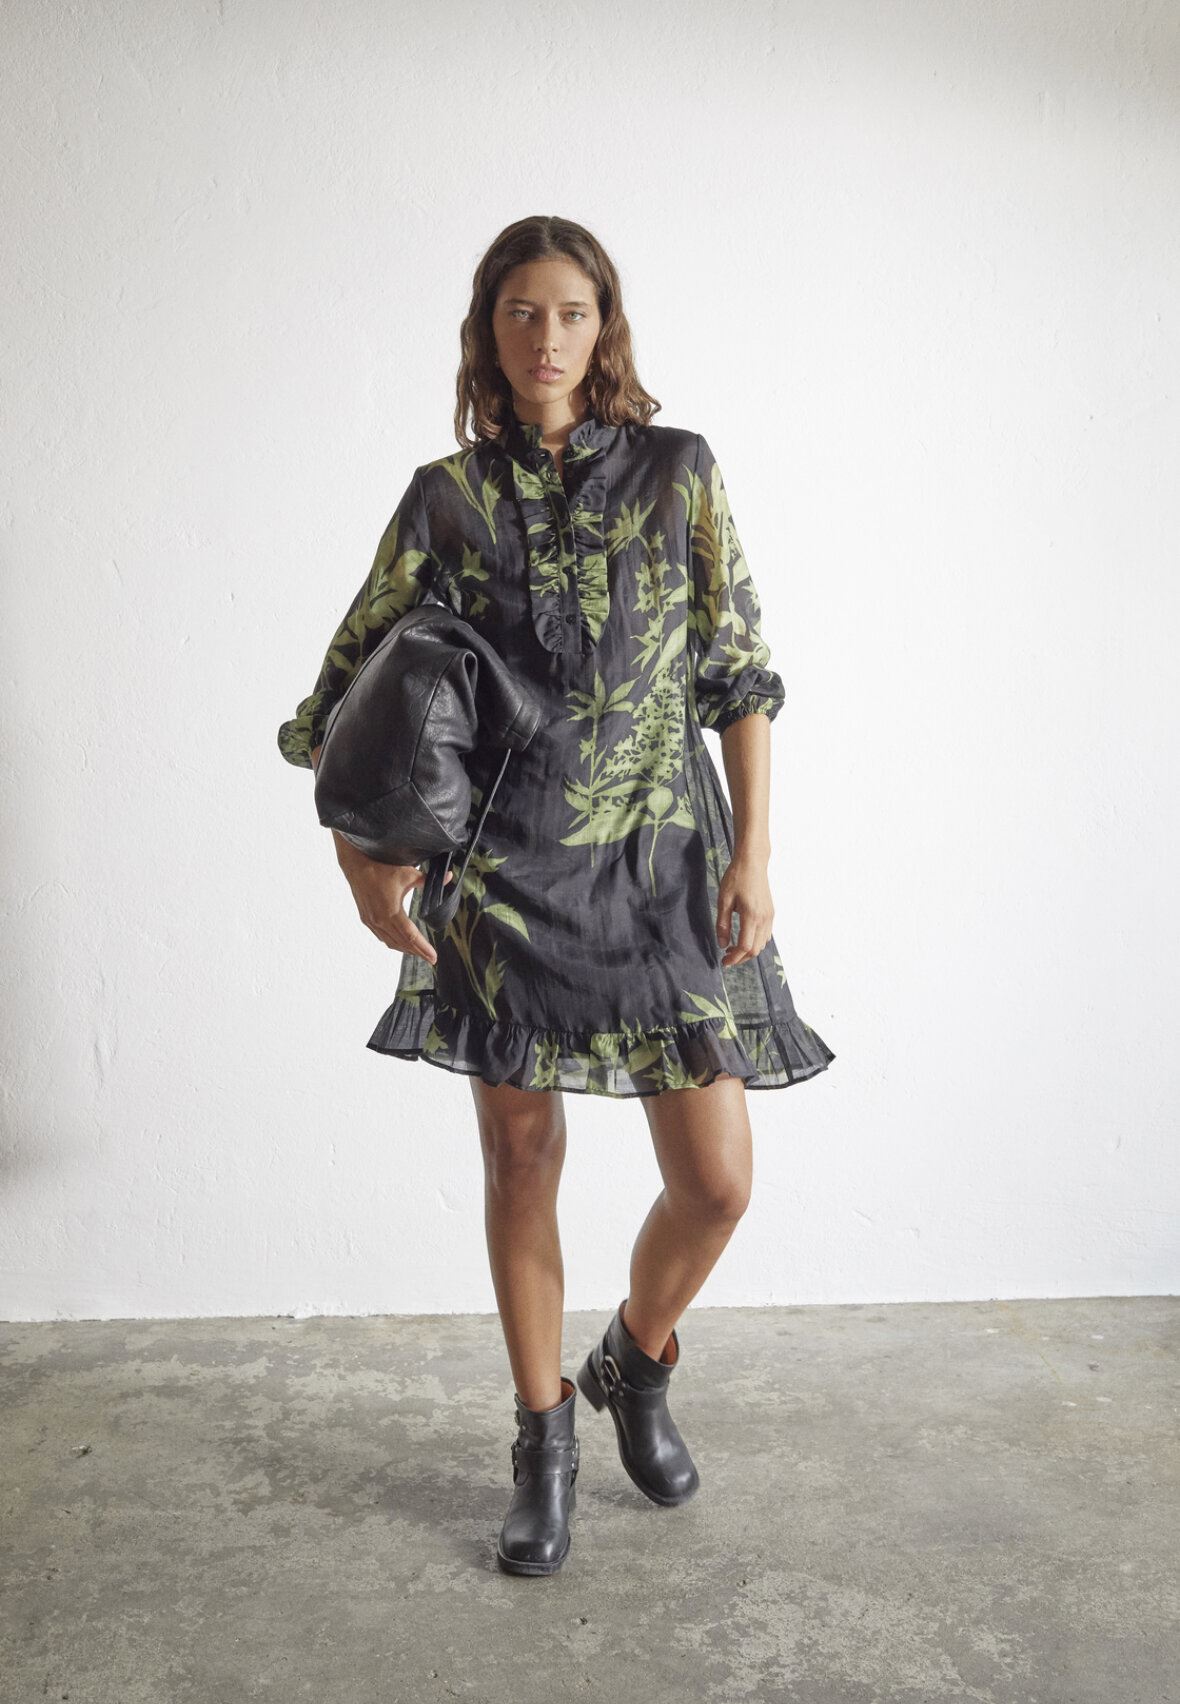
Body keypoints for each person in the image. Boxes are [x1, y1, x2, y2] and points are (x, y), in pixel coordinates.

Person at [278, 214, 835, 1576]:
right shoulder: (445, 500)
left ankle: (633, 1362)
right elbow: (340, 698)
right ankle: (543, 1442)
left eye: (572, 312)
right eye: (522, 313)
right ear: (489, 330)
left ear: (606, 327)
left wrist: (756, 854)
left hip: (664, 867)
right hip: (503, 878)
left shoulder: (678, 473)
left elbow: (740, 674)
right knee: (520, 1160)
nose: (547, 338)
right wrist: (360, 860)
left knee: (717, 1183)